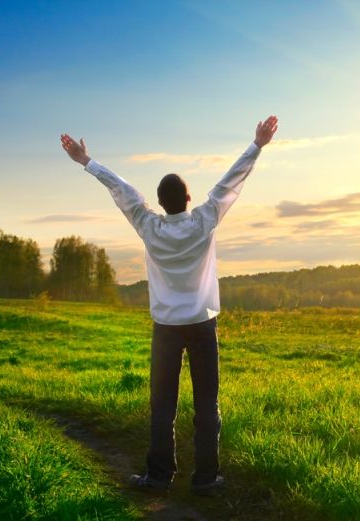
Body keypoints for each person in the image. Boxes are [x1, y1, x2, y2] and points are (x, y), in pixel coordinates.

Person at [59, 115, 279, 496]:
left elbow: (122, 190)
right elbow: (229, 183)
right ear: (188, 199)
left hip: (166, 329)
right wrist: (257, 145)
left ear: (159, 203)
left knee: (162, 406)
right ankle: (206, 479)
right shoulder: (204, 221)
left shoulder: (148, 225)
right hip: (201, 324)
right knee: (206, 404)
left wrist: (86, 161)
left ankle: (159, 477)